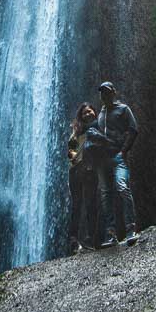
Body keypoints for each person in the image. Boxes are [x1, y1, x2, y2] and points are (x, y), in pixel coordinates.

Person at [90, 80, 140, 247]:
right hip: (103, 160)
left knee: (122, 187)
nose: (104, 95)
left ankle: (131, 229)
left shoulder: (124, 109)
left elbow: (133, 129)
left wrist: (124, 151)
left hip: (118, 157)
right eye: (102, 92)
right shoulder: (101, 113)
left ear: (113, 92)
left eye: (107, 91)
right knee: (105, 195)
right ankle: (110, 234)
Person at [66, 102, 100, 254]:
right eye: (84, 113)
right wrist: (73, 156)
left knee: (91, 203)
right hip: (76, 170)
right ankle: (74, 239)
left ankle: (91, 239)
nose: (87, 114)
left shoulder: (99, 126)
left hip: (90, 169)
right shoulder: (76, 132)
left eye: (89, 111)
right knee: (77, 205)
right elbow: (71, 149)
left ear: (94, 111)